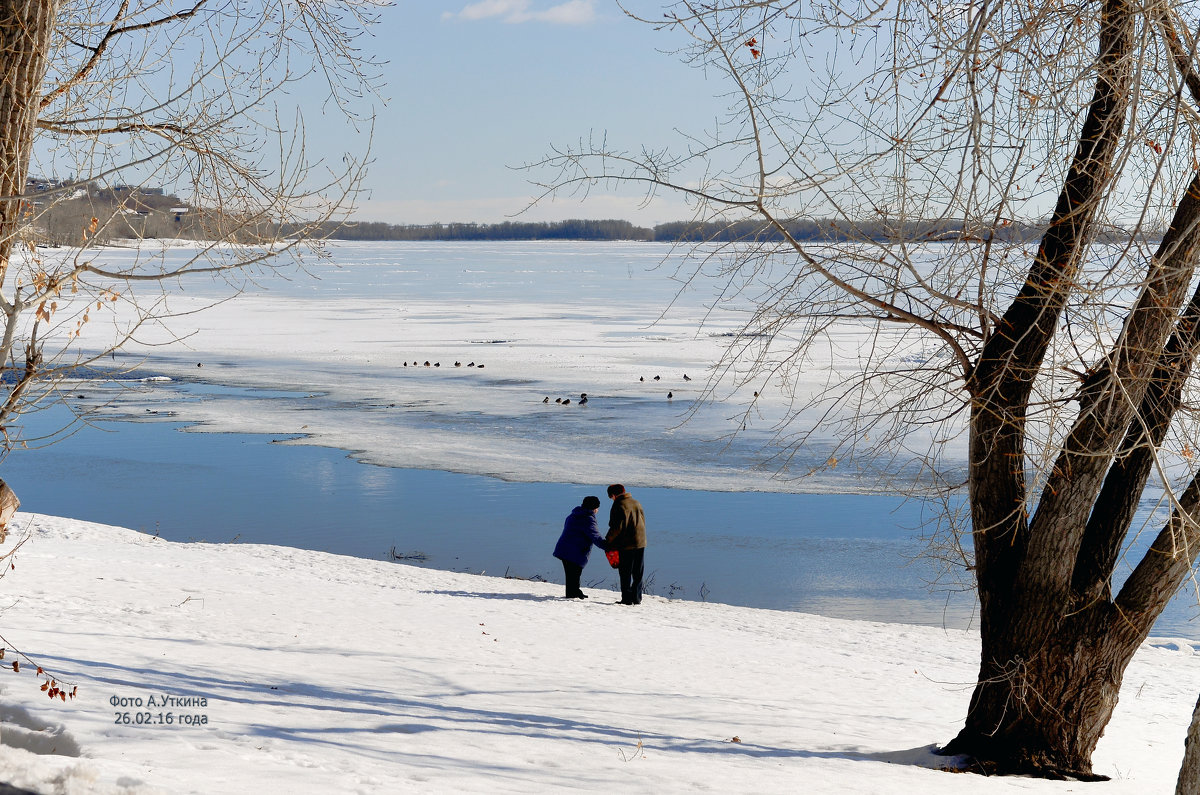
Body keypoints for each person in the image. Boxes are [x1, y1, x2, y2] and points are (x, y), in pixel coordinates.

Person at [552, 495, 607, 599]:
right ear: (594, 508)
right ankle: (572, 594)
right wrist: (607, 546)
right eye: (597, 508)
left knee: (572, 574)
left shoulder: (573, 515)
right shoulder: (587, 519)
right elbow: (595, 536)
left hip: (565, 548)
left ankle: (575, 592)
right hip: (574, 551)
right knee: (574, 573)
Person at [605, 484, 646, 605]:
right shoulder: (636, 502)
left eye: (610, 497)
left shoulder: (619, 504)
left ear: (613, 495)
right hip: (640, 542)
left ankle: (627, 599)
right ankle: (637, 598)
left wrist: (608, 540)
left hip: (626, 544)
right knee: (638, 572)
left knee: (625, 572)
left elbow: (616, 527)